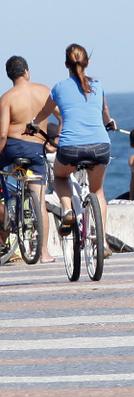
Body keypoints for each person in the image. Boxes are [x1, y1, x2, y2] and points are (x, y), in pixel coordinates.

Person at [35, 44, 115, 255]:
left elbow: (44, 112)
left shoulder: (59, 87)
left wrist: (34, 123)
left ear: (65, 65)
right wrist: (110, 122)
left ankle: (68, 209)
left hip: (70, 148)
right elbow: (105, 113)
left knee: (60, 177)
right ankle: (102, 243)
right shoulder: (98, 85)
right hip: (100, 146)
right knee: (97, 191)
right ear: (87, 62)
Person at [0, 56, 56, 263]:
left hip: (13, 147)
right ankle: (44, 253)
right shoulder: (44, 91)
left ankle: (7, 204)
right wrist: (53, 141)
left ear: (10, 76)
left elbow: (3, 134)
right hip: (36, 149)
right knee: (39, 198)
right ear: (27, 72)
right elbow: (61, 116)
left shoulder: (7, 98)